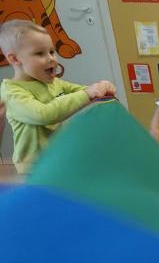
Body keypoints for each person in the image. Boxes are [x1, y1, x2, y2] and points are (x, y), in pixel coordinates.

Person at [0, 19, 115, 173]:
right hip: (34, 166)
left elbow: (87, 91)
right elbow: (44, 114)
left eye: (52, 51)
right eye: (39, 53)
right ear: (15, 59)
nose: (51, 58)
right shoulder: (12, 92)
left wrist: (102, 87)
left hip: (58, 157)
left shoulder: (54, 83)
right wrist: (88, 93)